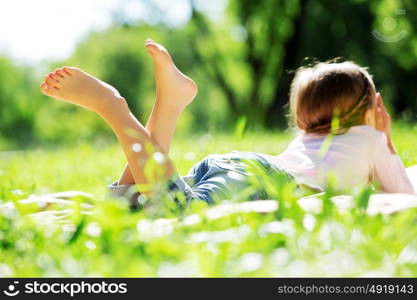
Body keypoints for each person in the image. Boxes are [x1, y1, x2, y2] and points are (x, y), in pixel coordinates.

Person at [39, 39, 416, 208]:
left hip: (239, 166)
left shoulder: (306, 140)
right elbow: (403, 195)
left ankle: (168, 107)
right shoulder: (371, 138)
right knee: (175, 209)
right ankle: (113, 107)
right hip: (262, 178)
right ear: (371, 108)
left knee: (137, 203)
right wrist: (388, 144)